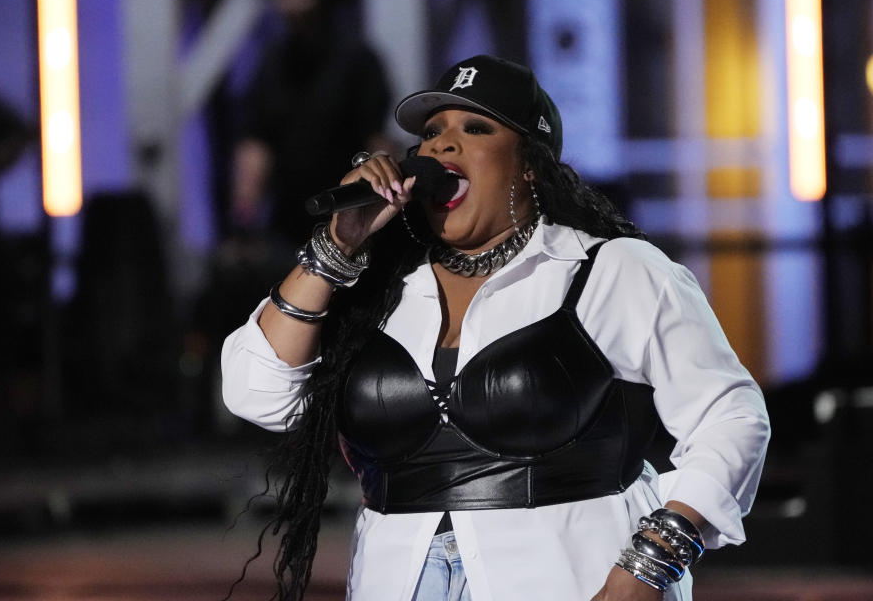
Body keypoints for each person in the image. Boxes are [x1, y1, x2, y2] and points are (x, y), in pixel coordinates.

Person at [221, 55, 770, 601]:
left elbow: (732, 418)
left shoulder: (611, 270)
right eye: (431, 134)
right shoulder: (378, 289)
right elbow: (257, 395)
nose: (441, 146)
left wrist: (653, 563)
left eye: (475, 128)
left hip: (572, 580)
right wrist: (337, 247)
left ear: (529, 164)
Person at [229, 0, 392, 245]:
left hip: (348, 206)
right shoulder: (273, 63)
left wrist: (385, 201)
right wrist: (244, 213)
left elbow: (377, 139)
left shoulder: (357, 59)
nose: (289, 1)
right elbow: (256, 141)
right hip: (289, 214)